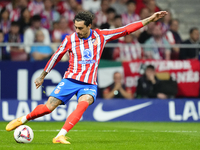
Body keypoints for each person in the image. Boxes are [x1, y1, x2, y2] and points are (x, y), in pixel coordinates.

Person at [6, 10, 168, 144]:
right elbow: (55, 56)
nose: (77, 31)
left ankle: (60, 135)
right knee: (48, 108)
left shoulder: (101, 36)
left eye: (81, 28)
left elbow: (127, 29)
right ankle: (23, 119)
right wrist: (42, 75)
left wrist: (150, 19)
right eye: (76, 27)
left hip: (89, 83)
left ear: (89, 26)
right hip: (70, 80)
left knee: (85, 102)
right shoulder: (70, 39)